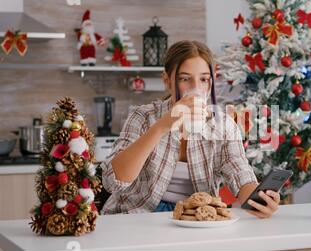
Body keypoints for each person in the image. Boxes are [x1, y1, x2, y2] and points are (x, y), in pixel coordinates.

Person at [101, 40, 280, 219]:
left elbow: (239, 171)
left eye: (203, 79)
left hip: (195, 220)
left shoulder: (223, 125)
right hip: (136, 217)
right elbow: (113, 181)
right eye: (185, 79)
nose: (196, 88)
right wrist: (162, 126)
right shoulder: (143, 117)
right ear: (167, 80)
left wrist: (259, 199)